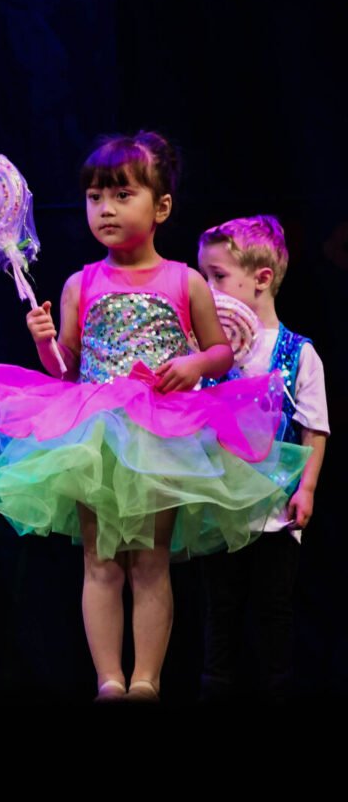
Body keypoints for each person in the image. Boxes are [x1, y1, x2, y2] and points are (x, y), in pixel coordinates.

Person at [0, 132, 307, 701]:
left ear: (161, 206)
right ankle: (109, 678)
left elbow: (220, 352)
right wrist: (45, 341)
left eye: (122, 195)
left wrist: (192, 363)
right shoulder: (80, 283)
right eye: (95, 197)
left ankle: (146, 678)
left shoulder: (185, 280)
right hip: (96, 434)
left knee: (151, 562)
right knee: (100, 561)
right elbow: (66, 368)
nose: (106, 208)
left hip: (162, 430)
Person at [197, 215, 329, 701]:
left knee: (274, 611)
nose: (208, 289)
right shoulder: (209, 355)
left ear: (262, 278)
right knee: (221, 611)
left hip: (276, 511)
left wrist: (306, 488)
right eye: (204, 277)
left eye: (218, 276)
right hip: (220, 508)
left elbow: (315, 427)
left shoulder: (298, 353)